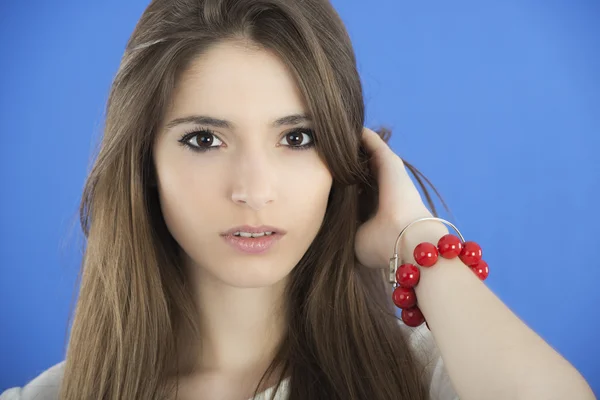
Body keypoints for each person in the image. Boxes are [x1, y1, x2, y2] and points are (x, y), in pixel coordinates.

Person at [1, 0, 596, 399]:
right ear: (145, 163)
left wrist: (415, 235)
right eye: (204, 139)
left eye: (297, 137)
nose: (254, 190)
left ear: (346, 160)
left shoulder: (426, 377)